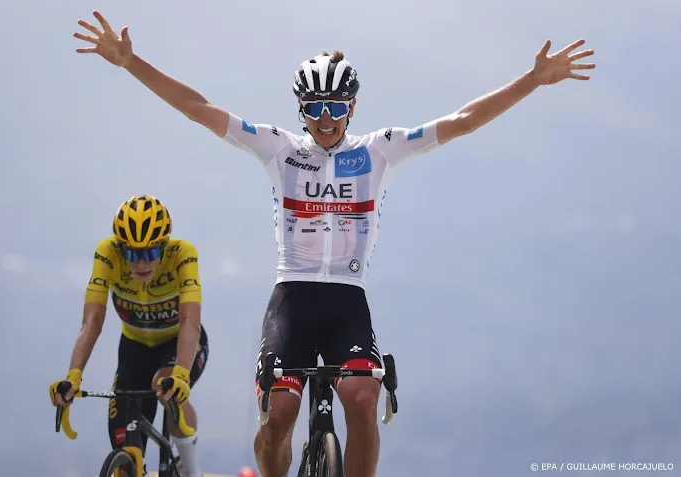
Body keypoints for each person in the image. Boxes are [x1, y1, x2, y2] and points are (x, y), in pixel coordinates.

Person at [72, 11, 595, 477]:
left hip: (347, 300)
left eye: (336, 105)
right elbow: (198, 107)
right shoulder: (278, 149)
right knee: (278, 416)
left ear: (352, 106)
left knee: (363, 399)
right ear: (301, 108)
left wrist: (532, 80)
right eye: (315, 106)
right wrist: (131, 62)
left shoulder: (380, 150)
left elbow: (461, 122)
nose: (325, 118)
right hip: (292, 302)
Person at [49, 194, 209, 477]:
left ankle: (190, 471)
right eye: (132, 254)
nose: (140, 263)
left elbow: (189, 322)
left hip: (181, 343)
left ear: (164, 246)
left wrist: (182, 373)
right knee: (122, 440)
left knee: (166, 386)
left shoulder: (183, 254)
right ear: (120, 249)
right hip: (134, 348)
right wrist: (73, 375)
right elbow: (92, 321)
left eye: (149, 254)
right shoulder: (107, 254)